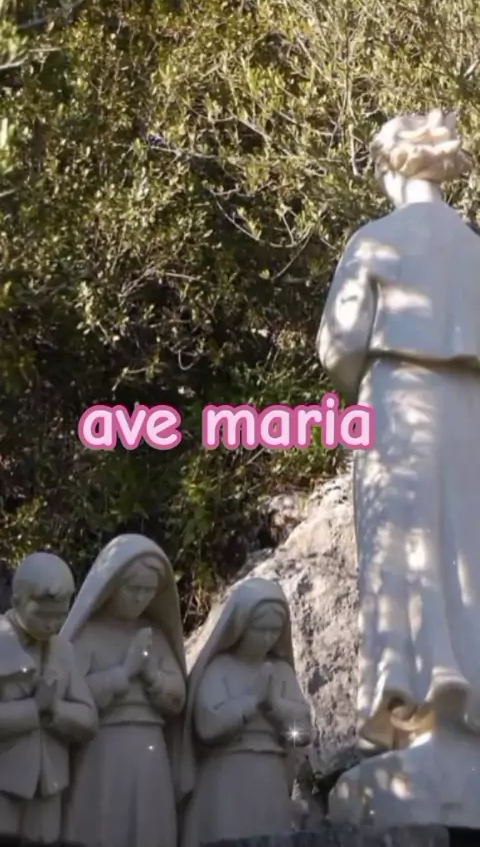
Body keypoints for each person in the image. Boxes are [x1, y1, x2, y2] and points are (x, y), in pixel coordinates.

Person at [318, 109, 480, 825]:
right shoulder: (475, 249)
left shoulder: (376, 240)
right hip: (469, 410)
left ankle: (413, 706)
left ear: (391, 169)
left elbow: (337, 345)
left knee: (404, 553)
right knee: (465, 554)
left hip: (397, 402)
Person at [61, 534, 186, 847]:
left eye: (148, 590)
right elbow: (70, 695)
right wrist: (123, 673)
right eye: (133, 589)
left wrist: (153, 677)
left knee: (149, 827)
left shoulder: (155, 636)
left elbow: (178, 697)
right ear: (112, 584)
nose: (140, 598)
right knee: (103, 824)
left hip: (150, 748)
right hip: (103, 747)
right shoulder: (88, 635)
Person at [179, 577, 311, 847]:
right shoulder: (218, 669)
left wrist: (277, 707)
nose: (267, 638)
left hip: (269, 776)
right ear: (241, 625)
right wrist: (252, 701)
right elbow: (207, 726)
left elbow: (302, 732)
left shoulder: (281, 672)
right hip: (227, 774)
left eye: (274, 631)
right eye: (260, 630)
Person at [0, 552, 97, 842]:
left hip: (49, 787)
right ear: (16, 601)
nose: (52, 624)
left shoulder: (63, 651)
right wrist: (34, 708)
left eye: (60, 616)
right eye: (42, 615)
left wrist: (55, 710)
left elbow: (89, 719)